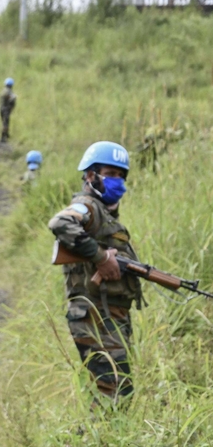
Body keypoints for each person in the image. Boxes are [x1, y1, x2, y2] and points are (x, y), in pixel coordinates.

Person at [48, 141, 141, 407]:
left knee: (114, 390)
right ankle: (102, 446)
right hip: (94, 315)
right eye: (110, 174)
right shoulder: (86, 206)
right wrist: (100, 258)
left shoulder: (106, 215)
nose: (118, 182)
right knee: (114, 391)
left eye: (121, 176)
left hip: (109, 315)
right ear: (91, 176)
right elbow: (59, 222)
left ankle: (100, 444)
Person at [0, 78, 17, 143]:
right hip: (6, 109)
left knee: (4, 122)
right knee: (6, 123)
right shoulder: (9, 92)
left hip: (1, 108)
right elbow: (13, 100)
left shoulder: (3, 91)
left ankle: (6, 134)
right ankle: (3, 137)